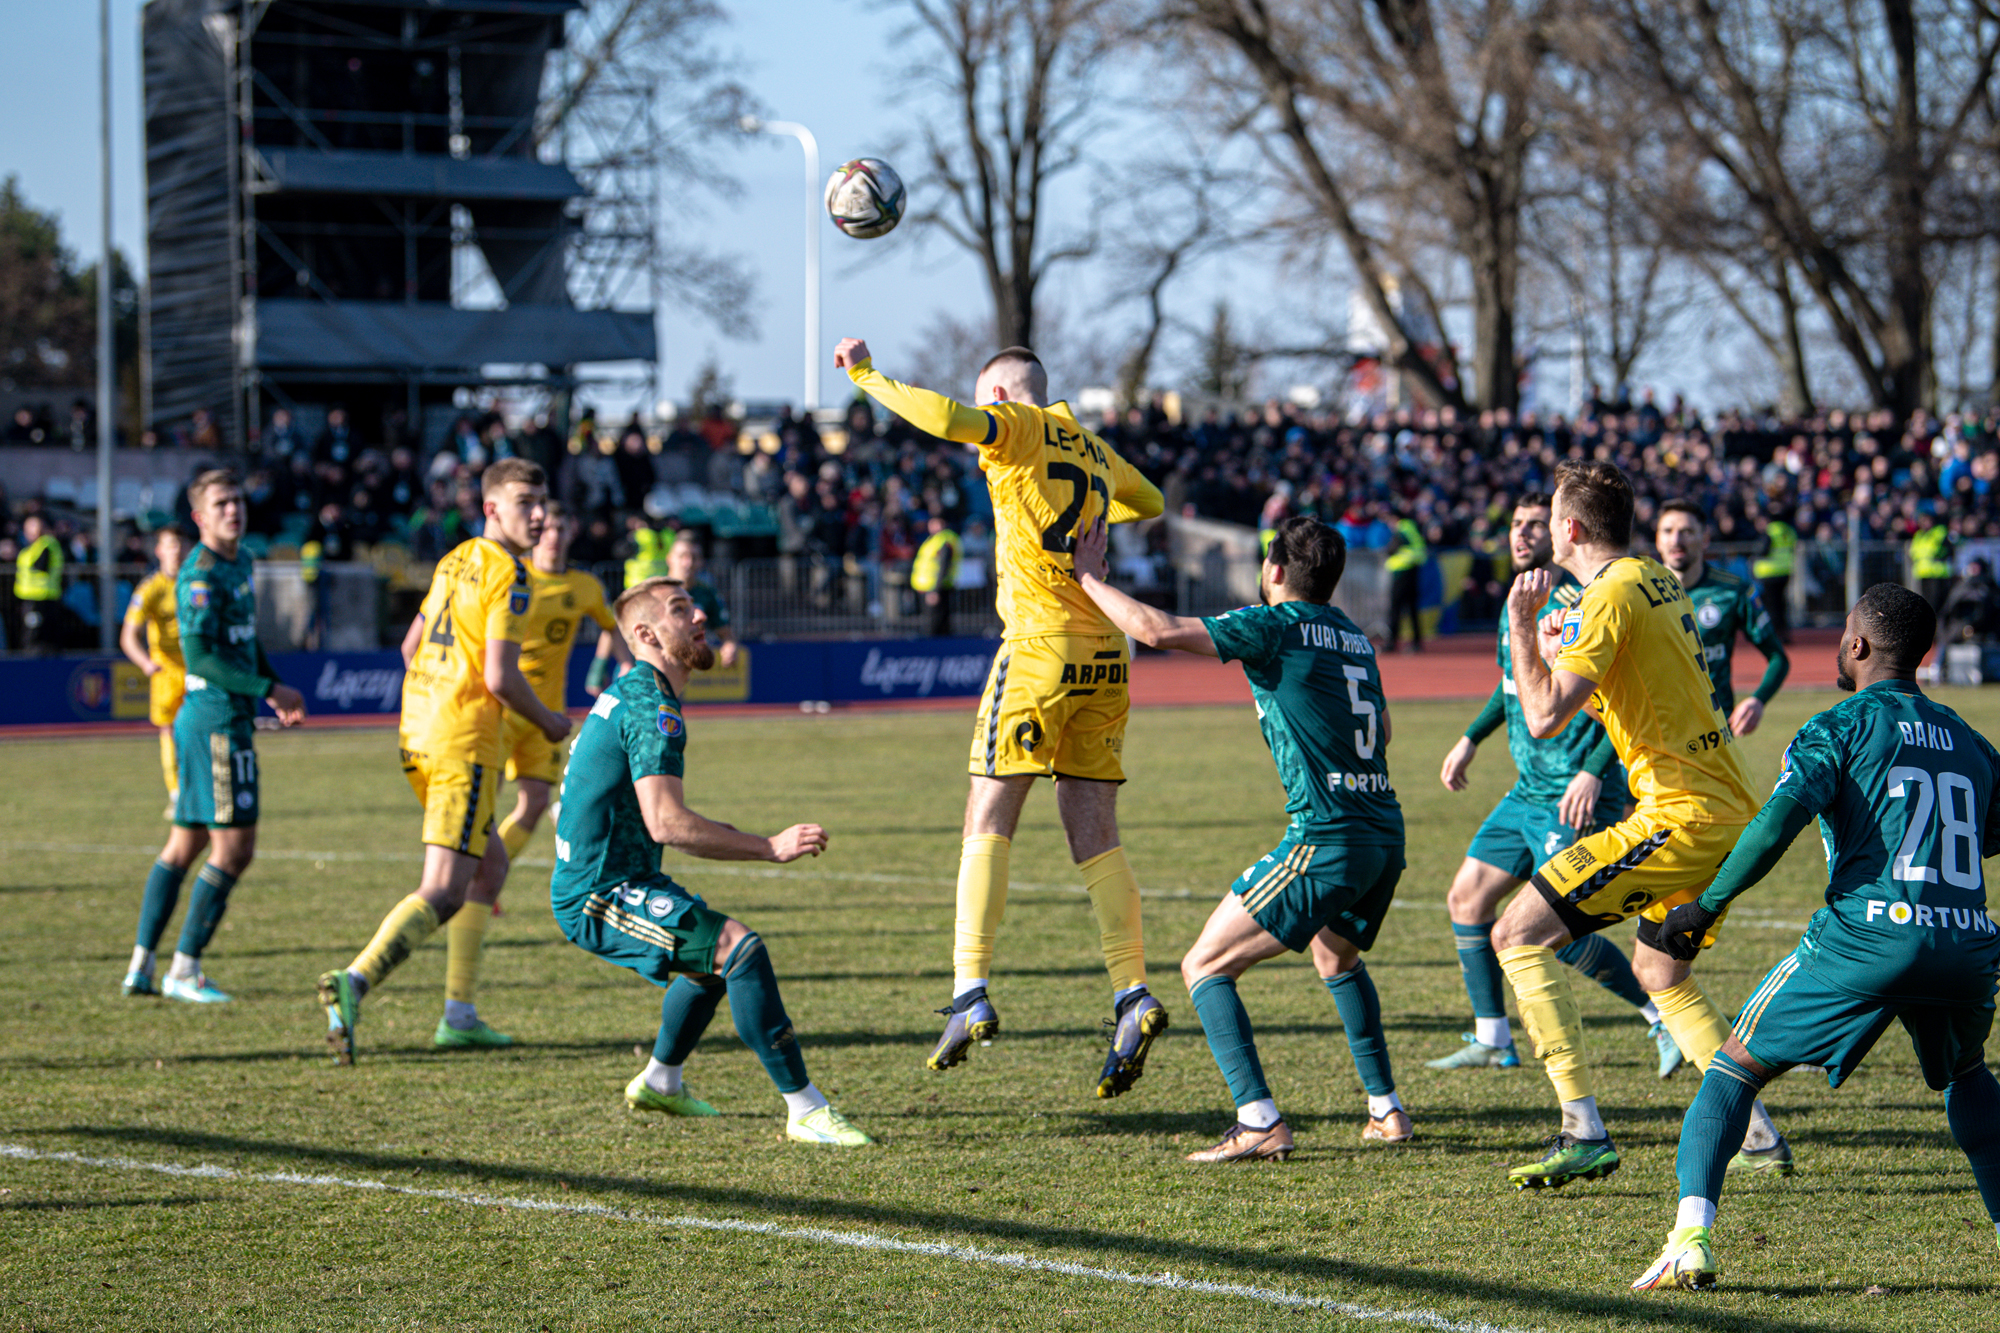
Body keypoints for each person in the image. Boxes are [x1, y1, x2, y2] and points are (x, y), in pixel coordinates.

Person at [1634, 585, 2000, 1290]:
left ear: (1856, 645)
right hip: (1965, 946)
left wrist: (1705, 906)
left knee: (1733, 1069)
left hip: (1868, 940)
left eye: (1841, 635)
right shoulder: (1969, 737)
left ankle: (1690, 1238)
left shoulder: (1840, 725)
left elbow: (1775, 824)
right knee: (1968, 1076)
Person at [834, 335, 1170, 1097]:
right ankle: (1132, 992)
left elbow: (946, 418)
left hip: (1038, 649)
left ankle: (970, 988)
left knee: (986, 817)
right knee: (1097, 833)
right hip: (1105, 655)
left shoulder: (1014, 426)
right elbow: (1150, 500)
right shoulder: (1092, 446)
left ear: (1000, 397)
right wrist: (1094, 515)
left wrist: (866, 376)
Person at [1492, 459, 1791, 1189]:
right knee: (1659, 970)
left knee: (1516, 933)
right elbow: (1634, 691)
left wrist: (1523, 629)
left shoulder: (1611, 593)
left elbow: (1542, 715)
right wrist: (1563, 644)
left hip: (1683, 815)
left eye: (1549, 517)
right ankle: (1756, 1133)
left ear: (1568, 528)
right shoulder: (1655, 579)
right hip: (1725, 808)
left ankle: (1582, 1130)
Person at [1076, 515, 1413, 1158]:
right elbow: (1385, 730)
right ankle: (1386, 1110)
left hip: (1328, 835)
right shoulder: (1353, 635)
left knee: (1204, 966)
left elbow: (1156, 630)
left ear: (1275, 570)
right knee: (1336, 958)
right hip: (1383, 830)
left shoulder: (1273, 624)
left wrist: (1089, 578)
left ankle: (1259, 1122)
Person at [552, 576, 870, 1145]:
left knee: (708, 966)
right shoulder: (651, 705)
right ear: (646, 634)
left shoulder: (640, 693)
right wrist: (767, 846)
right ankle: (805, 1109)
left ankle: (660, 1082)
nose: (699, 616)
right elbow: (667, 823)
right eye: (680, 610)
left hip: (624, 877)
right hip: (598, 895)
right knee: (739, 950)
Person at [317, 459, 571, 1061]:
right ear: (491, 508)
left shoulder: (455, 559)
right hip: (462, 743)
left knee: (490, 867)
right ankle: (354, 982)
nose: (538, 515)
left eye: (542, 502)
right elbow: (501, 677)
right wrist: (550, 722)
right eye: (525, 502)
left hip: (419, 733)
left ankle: (459, 1015)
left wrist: (438, 698)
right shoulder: (511, 573)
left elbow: (411, 647)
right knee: (444, 888)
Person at [1432, 495, 1679, 1076]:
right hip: (1528, 787)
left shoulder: (1580, 602)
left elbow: (1615, 694)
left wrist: (1594, 770)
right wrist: (1471, 738)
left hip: (1573, 789)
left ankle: (1661, 1017)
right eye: (1515, 525)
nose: (1521, 534)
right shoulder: (1520, 600)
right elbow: (1513, 684)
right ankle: (1494, 1039)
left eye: (1534, 525)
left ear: (1560, 533)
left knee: (1552, 927)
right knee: (1467, 899)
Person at [123, 472, 307, 1001]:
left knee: (187, 843)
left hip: (216, 719)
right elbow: (200, 658)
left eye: (237, 500)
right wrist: (268, 687)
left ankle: (141, 966)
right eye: (221, 503)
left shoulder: (242, 561)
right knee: (234, 850)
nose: (233, 510)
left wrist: (271, 686)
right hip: (215, 721)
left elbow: (246, 642)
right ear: (199, 516)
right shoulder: (198, 574)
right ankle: (184, 969)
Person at [1655, 501, 1789, 738]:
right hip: (1654, 730)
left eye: (1687, 531)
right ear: (1657, 539)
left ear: (1705, 538)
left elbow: (1778, 657)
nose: (1676, 540)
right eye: (1668, 531)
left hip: (1714, 732)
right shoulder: (1637, 593)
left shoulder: (1733, 591)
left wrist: (1758, 700)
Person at [120, 526, 192, 818]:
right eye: (171, 544)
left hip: (198, 668)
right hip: (167, 671)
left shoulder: (198, 584)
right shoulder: (150, 588)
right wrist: (146, 664)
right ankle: (176, 794)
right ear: (159, 550)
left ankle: (202, 790)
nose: (177, 551)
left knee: (202, 730)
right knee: (170, 731)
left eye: (182, 544)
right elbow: (128, 636)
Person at [665, 536, 738, 666]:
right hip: (660, 663)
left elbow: (725, 632)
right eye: (682, 556)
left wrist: (729, 647)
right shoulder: (655, 592)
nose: (688, 563)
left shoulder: (707, 593)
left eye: (694, 558)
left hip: (690, 665)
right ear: (669, 559)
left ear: (701, 562)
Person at [13, 513, 63, 655]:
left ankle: (34, 660)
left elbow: (41, 566)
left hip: (39, 597)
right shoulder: (34, 546)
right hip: (34, 597)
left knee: (35, 633)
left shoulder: (45, 544)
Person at [910, 514, 962, 637]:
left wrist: (935, 591)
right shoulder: (932, 540)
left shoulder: (944, 541)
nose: (932, 526)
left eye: (936, 523)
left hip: (937, 589)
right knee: (932, 623)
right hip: (927, 588)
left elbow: (944, 567)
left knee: (936, 626)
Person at [1384, 508, 1426, 652]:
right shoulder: (1411, 527)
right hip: (1413, 570)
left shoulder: (1402, 529)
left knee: (1395, 609)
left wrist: (1389, 550)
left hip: (1402, 572)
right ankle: (1416, 643)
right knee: (1412, 608)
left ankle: (1391, 643)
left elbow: (1391, 549)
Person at [1750, 510, 1796, 643]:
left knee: (1771, 606)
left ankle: (1774, 635)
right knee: (1781, 605)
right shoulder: (1788, 531)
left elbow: (1762, 550)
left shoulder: (1769, 532)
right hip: (1785, 571)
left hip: (1769, 573)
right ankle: (1784, 633)